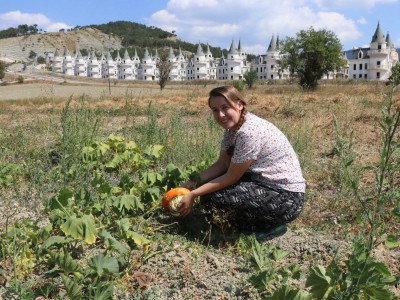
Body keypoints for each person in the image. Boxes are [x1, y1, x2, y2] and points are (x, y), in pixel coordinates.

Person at [177, 85, 305, 240]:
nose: (221, 114)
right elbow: (222, 164)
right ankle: (252, 223)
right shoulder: (232, 128)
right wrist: (193, 182)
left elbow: (230, 177)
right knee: (209, 193)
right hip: (264, 183)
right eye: (215, 110)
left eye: (225, 107)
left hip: (286, 198)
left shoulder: (248, 132)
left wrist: (194, 194)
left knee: (214, 199)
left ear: (239, 104)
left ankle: (267, 227)